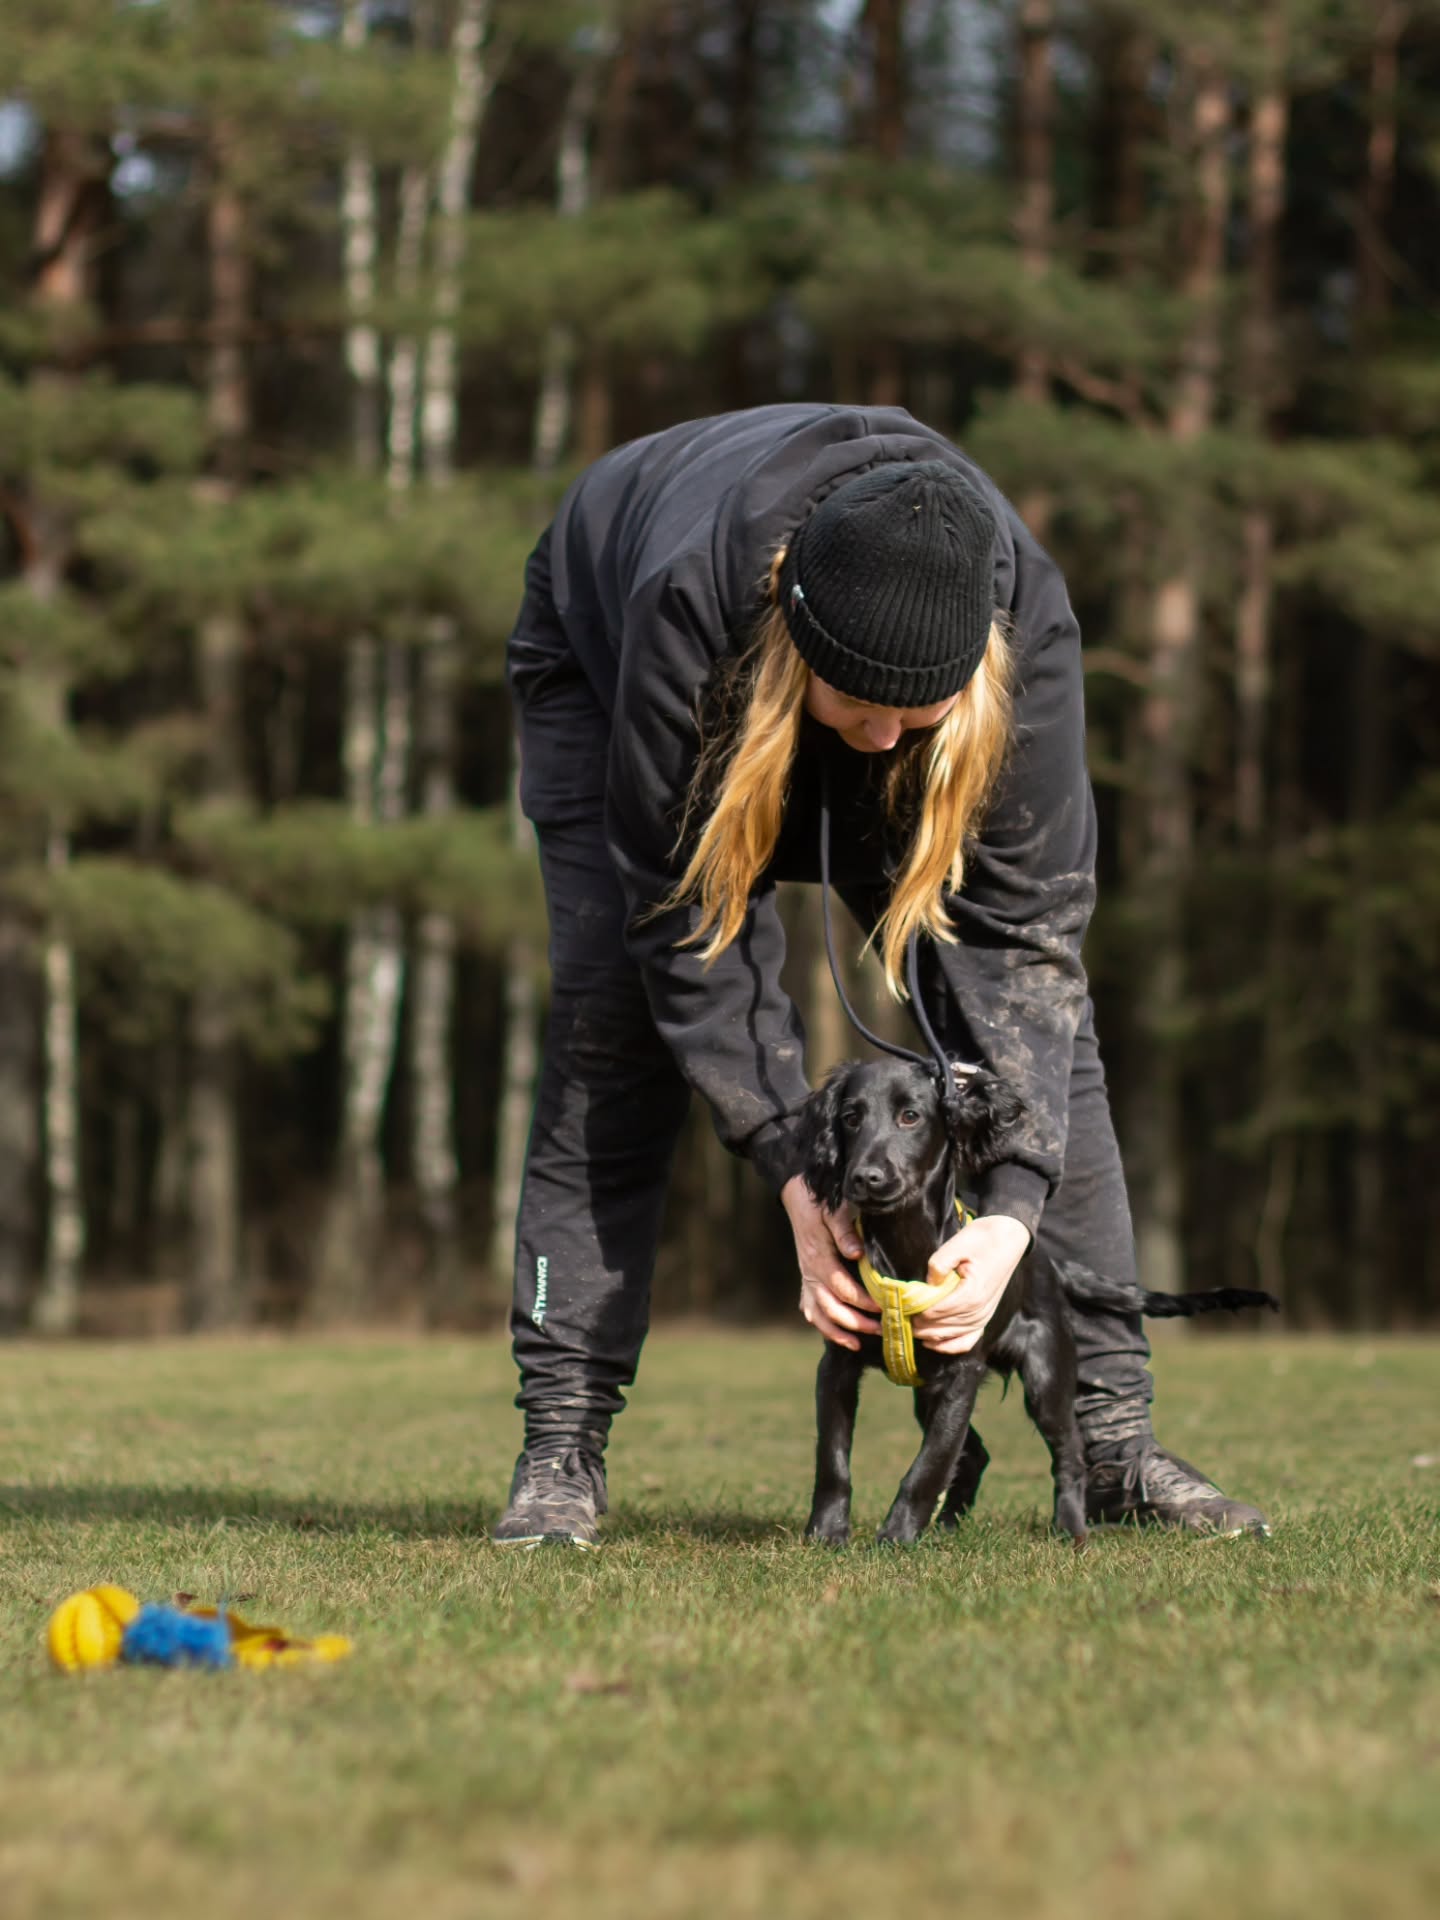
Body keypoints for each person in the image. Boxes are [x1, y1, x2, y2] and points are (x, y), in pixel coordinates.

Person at [498, 403, 1269, 1550]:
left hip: (876, 682)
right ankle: (561, 1446)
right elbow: (690, 935)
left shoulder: (1028, 634)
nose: (879, 745)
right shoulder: (687, 613)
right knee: (619, 1020)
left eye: (917, 716)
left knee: (1041, 1030)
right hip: (611, 645)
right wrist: (793, 1171)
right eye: (861, 713)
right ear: (801, 658)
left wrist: (1009, 1213)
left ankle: (1112, 1442)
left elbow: (1026, 955)